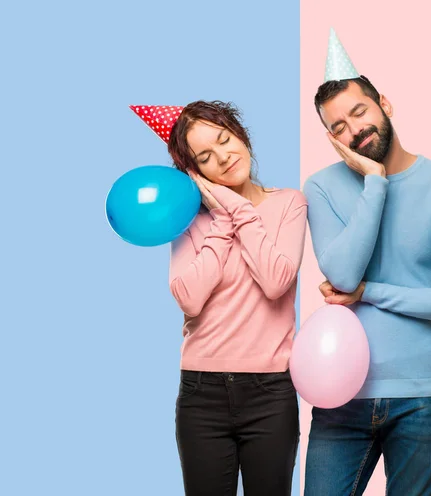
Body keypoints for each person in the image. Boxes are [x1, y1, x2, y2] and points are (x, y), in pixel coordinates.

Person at [302, 30, 431, 496]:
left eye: (358, 112)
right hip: (340, 394)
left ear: (384, 103)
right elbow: (342, 276)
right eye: (338, 127)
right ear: (330, 138)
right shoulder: (321, 188)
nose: (354, 129)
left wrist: (371, 292)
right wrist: (376, 183)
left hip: (423, 396)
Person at [133, 100, 307, 495]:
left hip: (271, 393)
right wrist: (222, 221)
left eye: (225, 140)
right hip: (202, 394)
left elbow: (276, 280)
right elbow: (189, 298)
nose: (224, 158)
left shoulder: (289, 203)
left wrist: (236, 209)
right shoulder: (189, 221)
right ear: (196, 173)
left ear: (241, 134)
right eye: (206, 157)